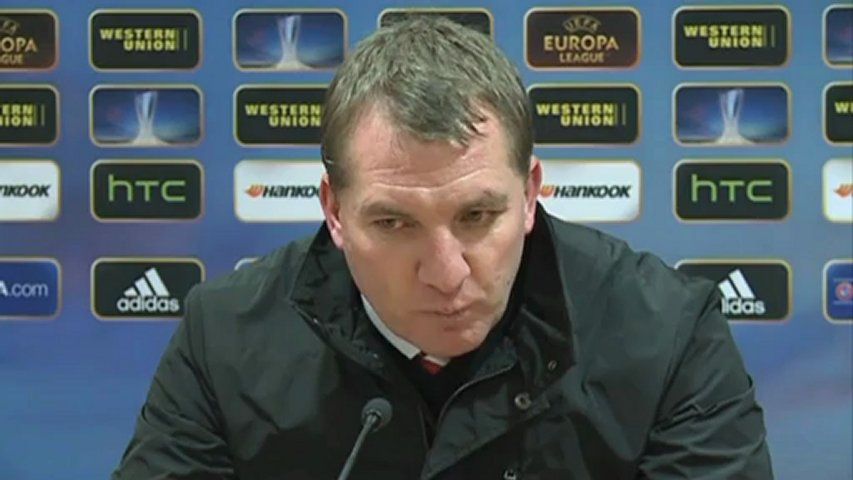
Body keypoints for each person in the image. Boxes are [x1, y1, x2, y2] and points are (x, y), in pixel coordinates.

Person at [111, 15, 773, 479]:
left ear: (530, 193)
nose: (446, 272)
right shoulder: (225, 337)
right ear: (334, 211)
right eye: (394, 223)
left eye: (477, 216)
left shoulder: (666, 334)